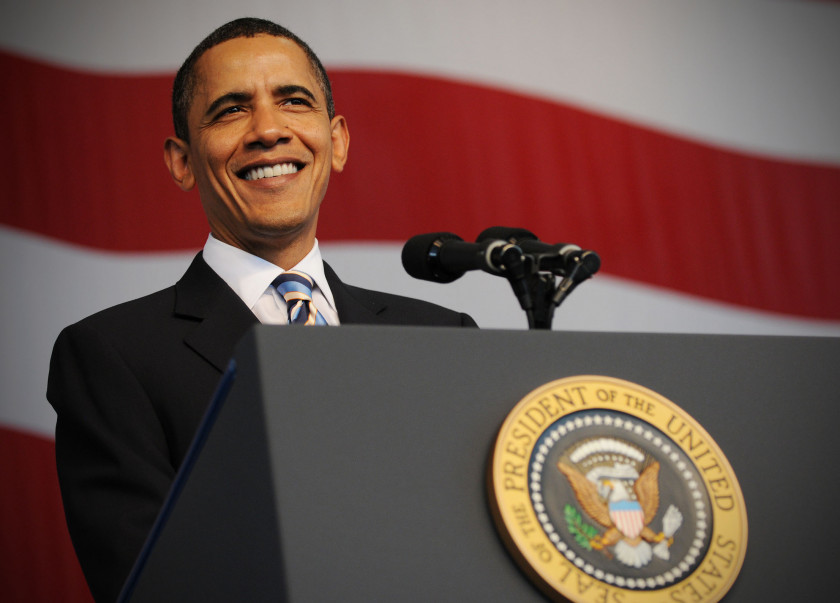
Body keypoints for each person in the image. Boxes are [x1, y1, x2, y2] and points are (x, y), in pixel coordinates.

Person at [47, 18, 475, 602]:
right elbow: (151, 586)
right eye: (230, 110)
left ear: (338, 140)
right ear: (181, 161)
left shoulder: (443, 337)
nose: (269, 130)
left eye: (294, 102)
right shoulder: (112, 356)